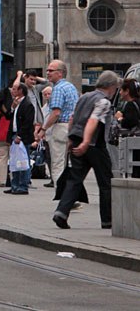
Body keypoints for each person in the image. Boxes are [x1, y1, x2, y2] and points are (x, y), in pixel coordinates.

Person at [53, 70, 120, 230]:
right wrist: (87, 141)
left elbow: (72, 117)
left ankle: (61, 212)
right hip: (94, 144)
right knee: (105, 182)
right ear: (111, 86)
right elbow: (93, 120)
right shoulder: (103, 101)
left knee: (75, 179)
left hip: (76, 139)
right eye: (115, 87)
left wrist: (71, 138)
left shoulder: (84, 97)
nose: (115, 91)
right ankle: (107, 220)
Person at [39, 59, 79, 186]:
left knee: (58, 163)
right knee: (69, 163)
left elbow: (56, 113)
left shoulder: (58, 89)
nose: (48, 73)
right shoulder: (71, 87)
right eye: (47, 70)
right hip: (72, 127)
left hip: (60, 127)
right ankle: (70, 192)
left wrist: (43, 129)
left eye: (51, 70)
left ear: (60, 73)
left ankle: (61, 192)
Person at [6, 82, 35, 195]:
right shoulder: (16, 103)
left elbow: (28, 122)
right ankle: (15, 185)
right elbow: (8, 117)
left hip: (22, 137)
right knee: (14, 161)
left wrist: (20, 135)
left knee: (23, 161)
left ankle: (23, 185)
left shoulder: (27, 104)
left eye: (14, 89)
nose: (12, 91)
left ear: (20, 91)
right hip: (13, 134)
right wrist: (12, 108)